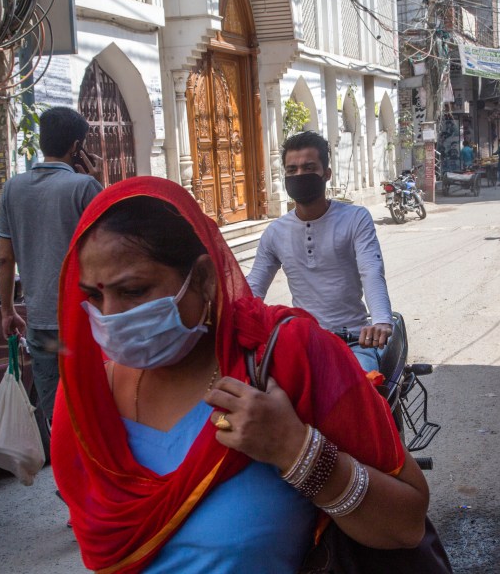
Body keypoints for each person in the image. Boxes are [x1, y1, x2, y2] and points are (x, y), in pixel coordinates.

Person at [50, 177, 429, 573]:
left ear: (203, 279)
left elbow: (407, 524)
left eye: (133, 291)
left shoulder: (289, 359)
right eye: (94, 296)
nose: (110, 316)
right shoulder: (86, 402)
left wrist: (297, 451)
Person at [247, 131, 393, 373]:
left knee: (361, 392)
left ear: (327, 174)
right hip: (303, 341)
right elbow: (254, 287)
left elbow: (371, 270)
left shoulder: (355, 218)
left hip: (355, 340)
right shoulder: (275, 232)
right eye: (291, 170)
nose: (299, 175)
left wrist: (380, 321)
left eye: (308, 167)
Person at [0, 106, 103, 424]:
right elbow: (113, 246)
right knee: (94, 409)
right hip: (83, 321)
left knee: (58, 415)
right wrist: (96, 182)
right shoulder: (85, 188)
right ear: (76, 148)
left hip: (43, 324)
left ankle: (65, 472)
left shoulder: (12, 188)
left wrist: (7, 311)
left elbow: (4, 259)